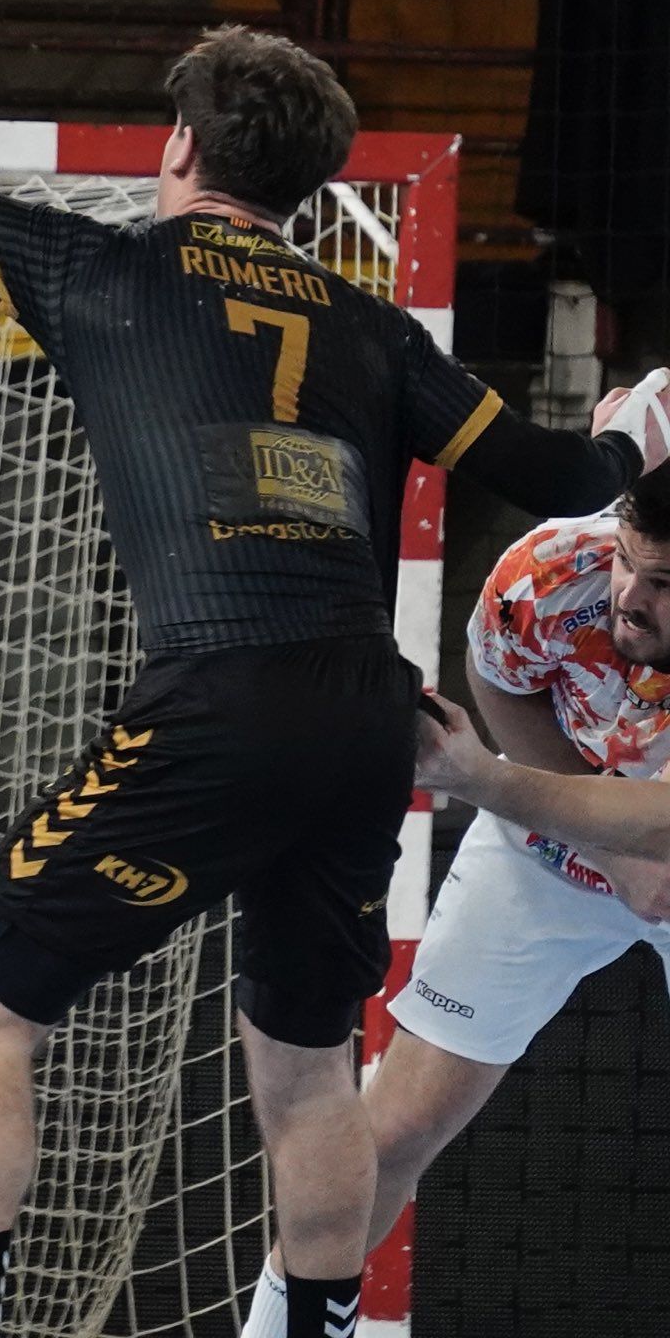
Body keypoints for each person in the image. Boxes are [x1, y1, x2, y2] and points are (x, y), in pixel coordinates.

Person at [0, 26, 670, 1338]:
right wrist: (630, 432)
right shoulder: (375, 328)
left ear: (181, 151)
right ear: (312, 194)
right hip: (372, 724)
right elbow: (560, 483)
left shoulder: (94, 262)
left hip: (218, 701)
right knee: (314, 1069)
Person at [240, 449, 670, 1335]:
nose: (629, 595)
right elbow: (502, 682)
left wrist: (475, 780)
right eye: (629, 558)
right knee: (389, 1135)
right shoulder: (554, 571)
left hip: (614, 826)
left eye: (664, 583)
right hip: (544, 849)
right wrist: (586, 830)